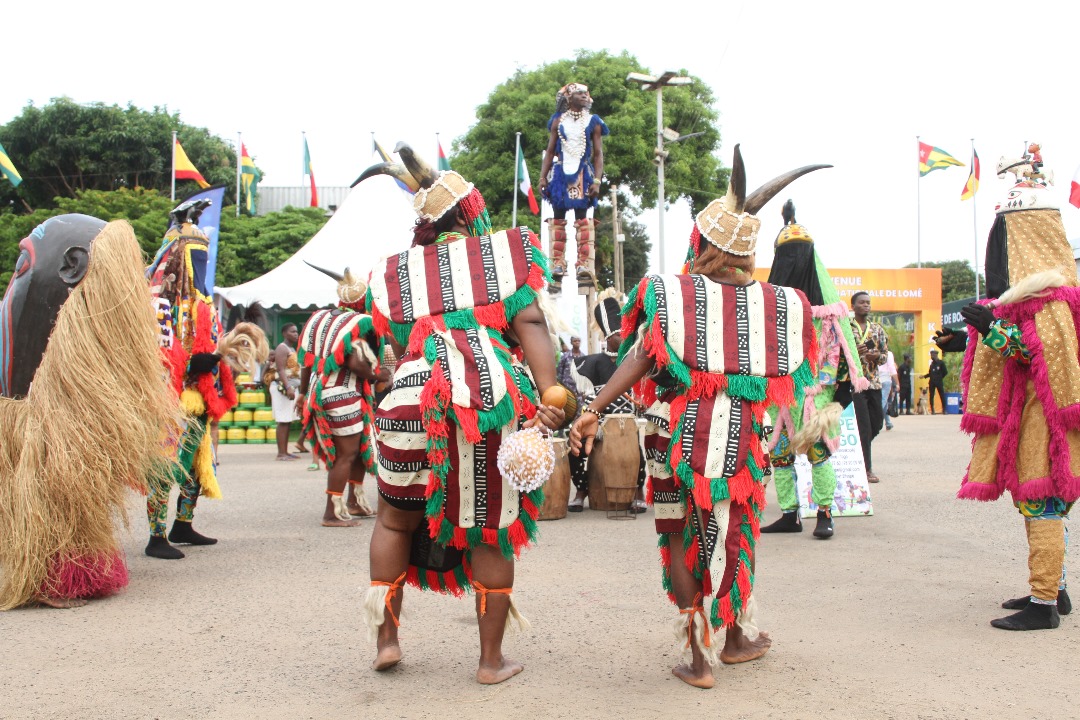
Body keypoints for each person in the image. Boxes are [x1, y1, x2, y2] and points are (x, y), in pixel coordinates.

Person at [572, 146, 827, 688]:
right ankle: (734, 638)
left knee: (679, 533)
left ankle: (697, 658)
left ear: (704, 243)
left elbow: (642, 355)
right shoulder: (782, 305)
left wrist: (592, 409)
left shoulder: (674, 293)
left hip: (673, 440)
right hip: (743, 444)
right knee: (737, 532)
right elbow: (795, 381)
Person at [356, 144, 564, 684]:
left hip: (407, 399)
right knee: (489, 530)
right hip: (484, 403)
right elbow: (532, 323)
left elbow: (402, 344)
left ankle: (387, 640)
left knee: (392, 519)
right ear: (472, 213)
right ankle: (490, 662)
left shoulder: (396, 272)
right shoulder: (500, 254)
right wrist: (551, 395)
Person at [0, 215, 181, 609]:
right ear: (74, 266)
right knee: (44, 481)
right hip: (26, 408)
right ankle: (40, 571)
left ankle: (72, 566)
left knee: (69, 482)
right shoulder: (32, 305)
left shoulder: (80, 346)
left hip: (46, 407)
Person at [957, 149, 1076, 630]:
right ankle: (1055, 591)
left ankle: (1044, 606)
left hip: (1043, 420)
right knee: (1038, 501)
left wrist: (992, 330)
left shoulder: (1051, 299)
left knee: (1042, 501)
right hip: (1028, 415)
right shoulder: (1046, 298)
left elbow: (1036, 355)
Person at [144, 200, 268, 560]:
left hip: (198, 399)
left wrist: (218, 359)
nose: (199, 264)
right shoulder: (157, 304)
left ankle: (182, 524)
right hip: (168, 401)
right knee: (165, 465)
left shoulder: (204, 305)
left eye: (203, 256)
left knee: (197, 467)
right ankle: (155, 537)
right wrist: (195, 363)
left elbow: (210, 348)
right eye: (192, 257)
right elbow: (157, 357)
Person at [760, 200, 867, 539]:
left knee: (818, 453)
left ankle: (824, 513)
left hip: (814, 394)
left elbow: (836, 353)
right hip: (779, 393)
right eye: (788, 252)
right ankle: (789, 514)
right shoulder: (766, 308)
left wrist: (823, 385)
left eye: (800, 252)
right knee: (779, 455)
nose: (794, 260)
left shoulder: (828, 313)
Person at [566, 290, 647, 513]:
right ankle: (581, 491)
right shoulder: (591, 363)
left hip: (625, 423)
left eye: (624, 334)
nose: (622, 339)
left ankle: (638, 491)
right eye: (617, 335)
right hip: (597, 418)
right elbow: (587, 397)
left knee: (635, 449)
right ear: (608, 337)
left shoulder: (633, 360)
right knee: (575, 447)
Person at [538, 83, 608, 292]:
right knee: (558, 218)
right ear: (569, 97)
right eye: (580, 93)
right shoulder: (558, 122)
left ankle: (584, 265)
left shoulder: (593, 122)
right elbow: (550, 152)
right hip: (560, 175)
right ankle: (557, 264)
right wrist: (543, 177)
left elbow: (598, 154)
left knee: (582, 219)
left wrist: (597, 180)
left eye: (587, 93)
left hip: (582, 175)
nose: (586, 96)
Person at [835, 291, 887, 483]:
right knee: (863, 426)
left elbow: (884, 355)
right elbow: (836, 353)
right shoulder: (846, 328)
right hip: (853, 383)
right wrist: (853, 353)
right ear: (853, 306)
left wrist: (877, 357)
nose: (866, 305)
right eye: (862, 302)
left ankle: (858, 450)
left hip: (873, 382)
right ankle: (866, 469)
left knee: (877, 423)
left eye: (868, 303)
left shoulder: (877, 329)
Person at [266, 323, 305, 460]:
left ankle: (285, 451)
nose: (296, 334)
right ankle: (281, 453)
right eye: (292, 331)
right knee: (283, 420)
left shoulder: (291, 348)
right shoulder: (282, 348)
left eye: (296, 332)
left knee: (287, 420)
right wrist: (288, 387)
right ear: (284, 333)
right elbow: (281, 369)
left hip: (291, 386)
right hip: (281, 388)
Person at [922, 349, 947, 414]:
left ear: (935, 355)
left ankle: (944, 410)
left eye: (932, 355)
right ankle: (932, 410)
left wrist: (940, 377)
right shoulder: (932, 364)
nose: (931, 356)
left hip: (939, 382)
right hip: (932, 382)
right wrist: (924, 376)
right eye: (931, 355)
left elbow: (945, 372)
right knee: (931, 396)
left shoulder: (941, 363)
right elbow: (930, 373)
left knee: (942, 395)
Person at [879, 349, 898, 430]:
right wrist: (897, 383)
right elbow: (892, 368)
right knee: (883, 400)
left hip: (876, 379)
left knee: (884, 401)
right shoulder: (888, 354)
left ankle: (888, 422)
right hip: (886, 379)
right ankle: (877, 418)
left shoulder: (874, 351)